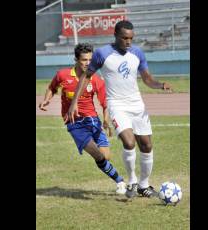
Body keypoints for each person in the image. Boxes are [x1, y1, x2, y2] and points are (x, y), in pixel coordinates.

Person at [66, 20, 172, 199]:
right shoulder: (102, 53)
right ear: (115, 35)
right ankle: (132, 181)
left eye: (131, 38)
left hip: (137, 105)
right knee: (129, 142)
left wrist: (160, 85)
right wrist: (74, 101)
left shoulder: (137, 53)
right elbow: (86, 76)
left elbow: (147, 79)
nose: (128, 42)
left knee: (146, 145)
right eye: (124, 38)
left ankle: (144, 186)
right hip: (117, 105)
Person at [38, 43, 126, 195]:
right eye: (84, 60)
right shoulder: (63, 75)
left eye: (90, 60)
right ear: (76, 60)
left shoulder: (96, 80)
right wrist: (47, 99)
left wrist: (105, 120)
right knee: (97, 154)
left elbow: (105, 104)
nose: (88, 63)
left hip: (93, 121)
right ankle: (120, 182)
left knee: (105, 157)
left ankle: (112, 173)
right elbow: (52, 88)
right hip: (74, 123)